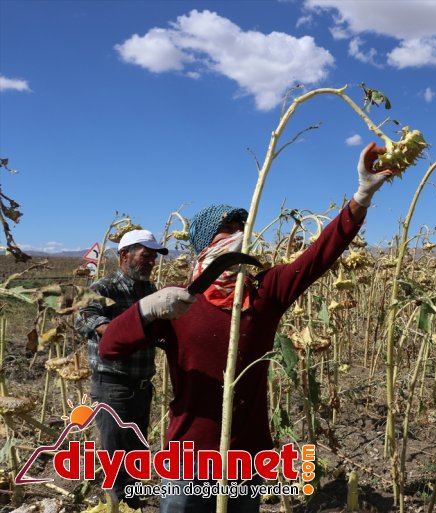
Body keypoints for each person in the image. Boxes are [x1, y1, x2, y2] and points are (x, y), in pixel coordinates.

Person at [98, 143, 393, 512]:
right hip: (189, 454)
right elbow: (110, 346)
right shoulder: (178, 305)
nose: (237, 235)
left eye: (241, 227)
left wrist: (361, 197)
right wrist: (145, 310)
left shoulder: (265, 293)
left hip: (248, 456)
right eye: (226, 229)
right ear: (205, 246)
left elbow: (318, 257)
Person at [75, 229, 169, 508]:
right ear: (124, 255)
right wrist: (117, 333)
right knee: (116, 454)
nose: (151, 261)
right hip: (113, 385)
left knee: (136, 452)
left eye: (154, 256)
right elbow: (85, 319)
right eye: (145, 255)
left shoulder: (151, 290)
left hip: (142, 385)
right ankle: (117, 504)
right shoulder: (104, 289)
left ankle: (132, 503)